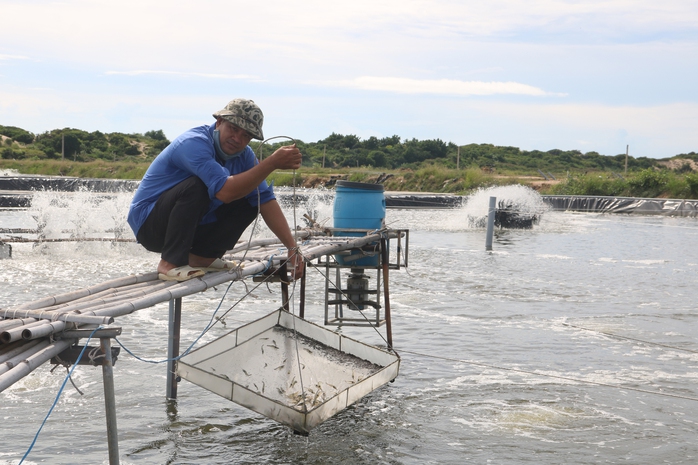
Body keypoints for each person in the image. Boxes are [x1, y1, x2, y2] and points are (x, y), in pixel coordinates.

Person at [127, 98, 304, 281]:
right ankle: (169, 264)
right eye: (233, 129)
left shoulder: (244, 156)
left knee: (253, 195)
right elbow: (224, 192)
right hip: (150, 225)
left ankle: (202, 257)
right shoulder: (194, 143)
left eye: (245, 136)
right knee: (198, 186)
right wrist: (271, 163)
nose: (237, 139)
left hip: (192, 226)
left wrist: (292, 247)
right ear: (219, 122)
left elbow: (265, 200)